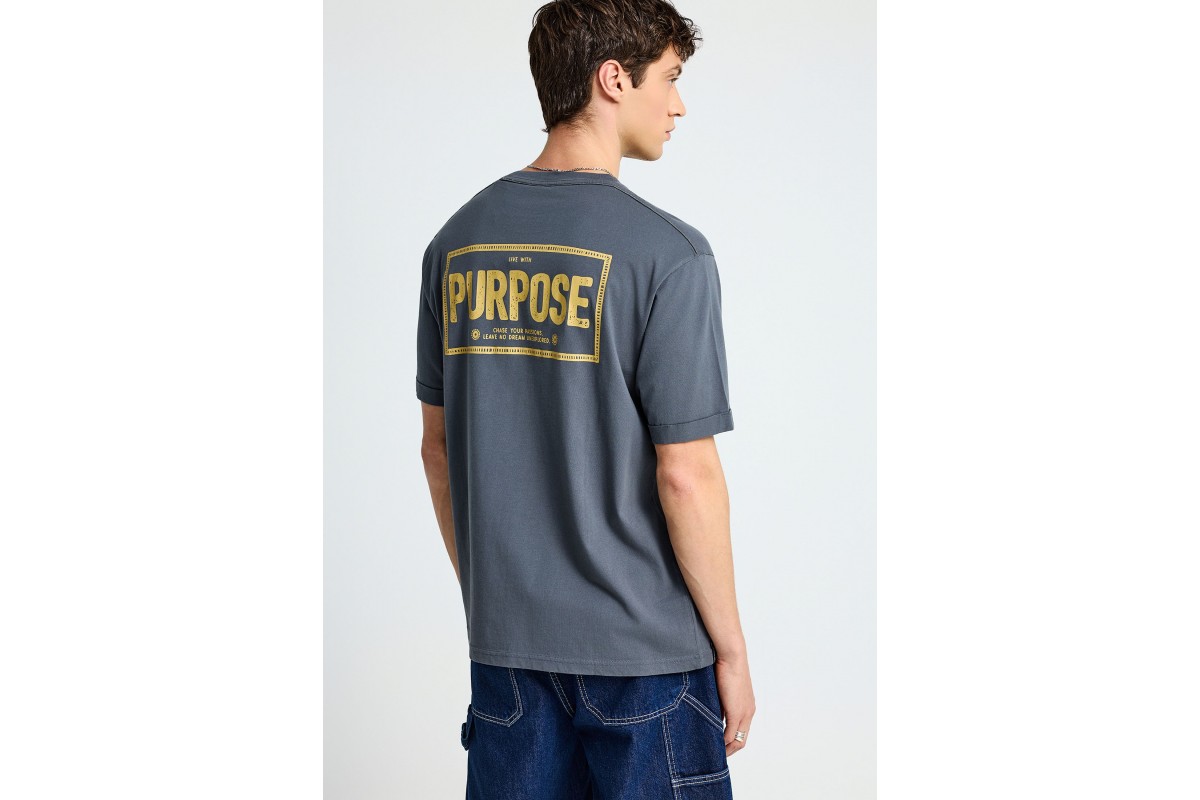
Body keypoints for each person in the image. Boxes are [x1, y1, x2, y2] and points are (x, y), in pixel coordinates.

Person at [415, 1, 755, 796]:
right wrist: (732, 651)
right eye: (669, 78)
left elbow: (438, 449)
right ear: (613, 80)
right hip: (647, 662)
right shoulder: (669, 254)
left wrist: (498, 602)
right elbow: (686, 474)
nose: (678, 104)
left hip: (506, 659)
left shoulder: (455, 243)